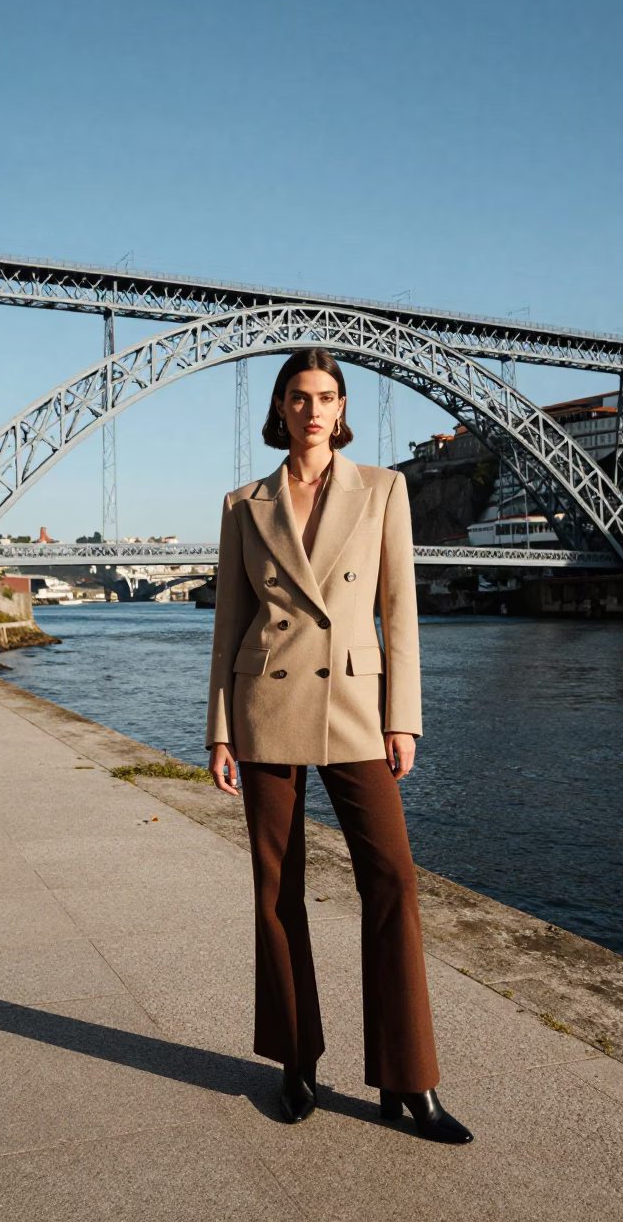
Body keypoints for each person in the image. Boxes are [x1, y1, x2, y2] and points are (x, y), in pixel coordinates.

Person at [206, 348, 472, 1144]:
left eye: (326, 396)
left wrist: (405, 716)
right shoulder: (243, 503)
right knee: (276, 890)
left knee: (392, 878)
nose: (313, 409)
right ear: (280, 411)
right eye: (299, 396)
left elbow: (400, 610)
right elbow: (228, 624)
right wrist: (219, 728)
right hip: (267, 703)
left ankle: (408, 1079)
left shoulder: (385, 489)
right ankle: (295, 1062)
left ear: (342, 407)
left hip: (358, 704)